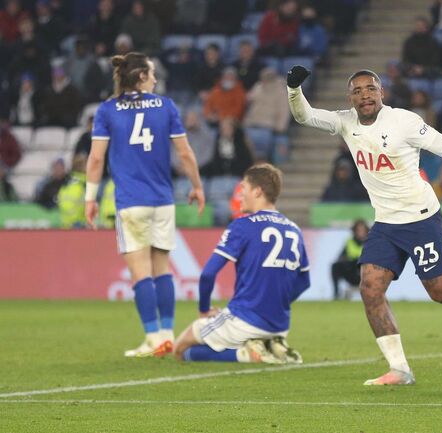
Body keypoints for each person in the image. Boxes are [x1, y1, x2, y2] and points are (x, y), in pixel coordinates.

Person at [287, 65, 442, 386]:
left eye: (371, 89)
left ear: (382, 93)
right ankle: (399, 369)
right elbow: (305, 116)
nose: (365, 95)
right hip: (386, 223)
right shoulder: (344, 122)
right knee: (370, 289)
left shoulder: (403, 122)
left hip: (421, 218)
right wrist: (294, 89)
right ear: (349, 98)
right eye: (357, 91)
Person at [85, 52, 205, 358]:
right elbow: (186, 153)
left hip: (131, 202)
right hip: (162, 201)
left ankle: (153, 338)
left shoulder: (107, 110)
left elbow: (97, 158)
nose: (155, 79)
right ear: (140, 77)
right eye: (151, 74)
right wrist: (196, 186)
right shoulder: (166, 106)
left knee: (141, 274)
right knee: (162, 270)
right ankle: (167, 333)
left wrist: (90, 198)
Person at [173, 163, 309, 364]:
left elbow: (208, 274)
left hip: (244, 319)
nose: (239, 195)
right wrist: (272, 303)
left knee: (180, 349)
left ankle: (244, 354)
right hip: (280, 324)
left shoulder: (243, 225)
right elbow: (304, 282)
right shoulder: (294, 229)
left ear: (257, 191)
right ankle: (270, 345)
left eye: (243, 189)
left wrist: (204, 310)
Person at [331, 219, 369, 300]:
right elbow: (341, 257)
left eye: (362, 230)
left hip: (365, 273)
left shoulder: (370, 242)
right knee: (335, 266)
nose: (360, 232)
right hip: (352, 272)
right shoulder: (349, 241)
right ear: (354, 231)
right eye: (358, 230)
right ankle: (336, 294)